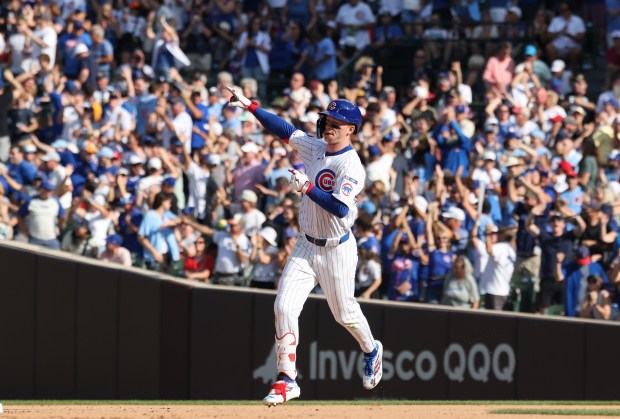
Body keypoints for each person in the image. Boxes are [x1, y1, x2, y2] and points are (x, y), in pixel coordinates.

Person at [225, 86, 383, 405]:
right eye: (326, 120)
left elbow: (339, 208)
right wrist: (249, 105)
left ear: (351, 129)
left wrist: (307, 187)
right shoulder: (315, 148)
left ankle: (371, 349)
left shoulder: (351, 166)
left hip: (336, 248)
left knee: (345, 314)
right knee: (283, 306)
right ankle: (287, 379)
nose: (328, 126)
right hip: (305, 245)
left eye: (335, 123)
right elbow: (285, 129)